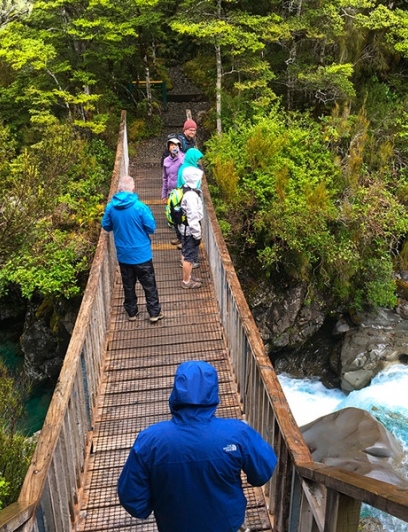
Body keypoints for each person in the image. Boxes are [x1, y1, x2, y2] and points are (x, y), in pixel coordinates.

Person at [117, 360, 277, 532]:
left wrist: (155, 504)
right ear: (213, 391)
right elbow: (262, 472)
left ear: (176, 390)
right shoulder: (237, 433)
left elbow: (132, 498)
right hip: (226, 524)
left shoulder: (149, 440)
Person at [101, 175, 163, 323]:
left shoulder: (111, 207)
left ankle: (132, 313)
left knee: (128, 285)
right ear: (133, 188)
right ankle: (154, 313)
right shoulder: (140, 207)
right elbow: (151, 227)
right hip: (142, 254)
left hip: (123, 254)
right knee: (149, 285)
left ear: (119, 188)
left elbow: (106, 226)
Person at [178, 161, 204, 288]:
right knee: (189, 257)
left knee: (185, 253)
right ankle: (186, 282)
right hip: (189, 231)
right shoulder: (191, 196)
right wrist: (197, 235)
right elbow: (193, 218)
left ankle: (187, 276)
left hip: (184, 229)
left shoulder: (185, 189)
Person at [161, 137, 185, 247]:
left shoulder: (182, 158)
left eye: (175, 145)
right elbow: (165, 178)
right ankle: (179, 237)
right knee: (173, 215)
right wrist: (163, 195)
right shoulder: (166, 160)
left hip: (181, 192)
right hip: (171, 192)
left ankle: (184, 239)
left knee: (181, 215)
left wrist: (178, 155)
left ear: (179, 146)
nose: (173, 147)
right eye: (171, 145)